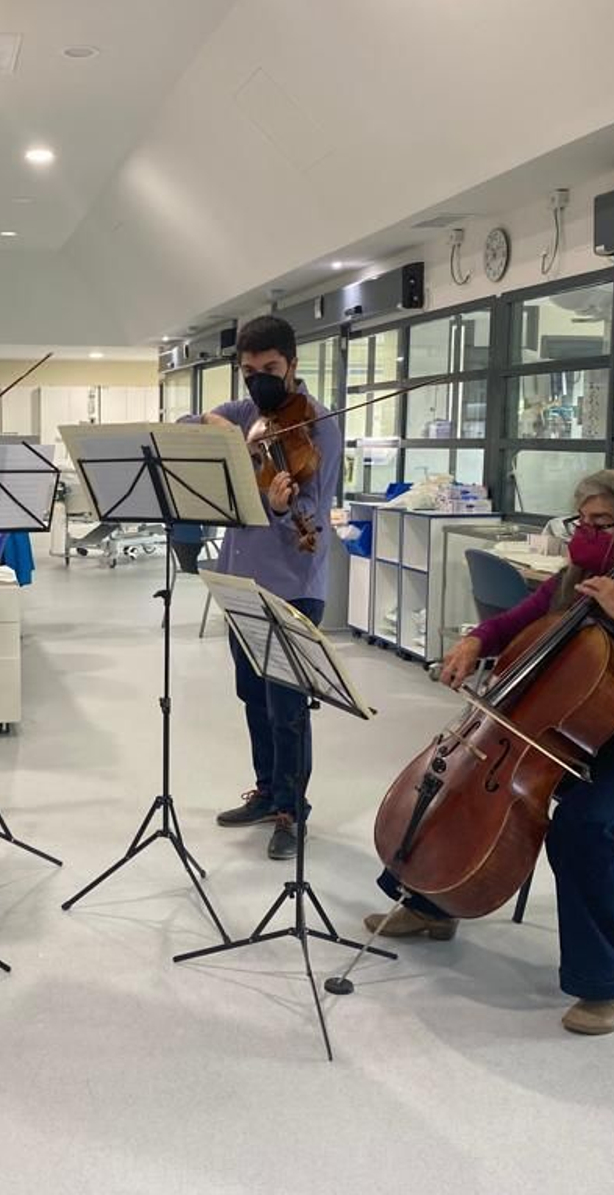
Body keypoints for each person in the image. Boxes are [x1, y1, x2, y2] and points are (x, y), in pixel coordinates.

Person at [368, 468, 614, 1036]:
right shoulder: (573, 582)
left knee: (582, 826)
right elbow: (514, 622)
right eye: (583, 520)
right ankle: (431, 901)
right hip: (573, 739)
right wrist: (474, 642)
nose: (586, 532)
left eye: (603, 523)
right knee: (455, 784)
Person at [195, 315, 343, 861]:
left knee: (288, 707)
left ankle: (291, 809)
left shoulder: (319, 425)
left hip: (292, 584)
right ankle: (266, 790)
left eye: (271, 370)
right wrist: (212, 423)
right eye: (249, 371)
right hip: (239, 581)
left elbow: (314, 509)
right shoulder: (249, 412)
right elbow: (194, 420)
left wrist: (283, 509)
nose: (260, 381)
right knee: (252, 696)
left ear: (293, 365)